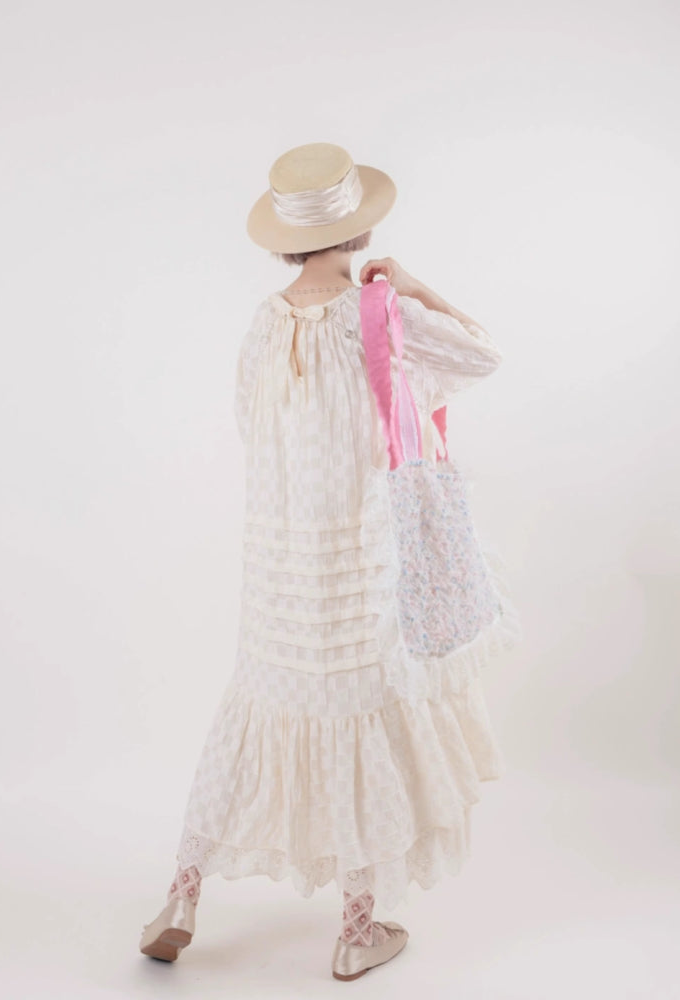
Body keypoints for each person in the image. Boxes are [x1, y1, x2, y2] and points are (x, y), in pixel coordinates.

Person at [138, 142, 521, 981]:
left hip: (278, 565)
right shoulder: (375, 314)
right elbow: (482, 354)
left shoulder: (264, 324)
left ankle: (181, 897)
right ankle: (355, 929)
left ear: (287, 240)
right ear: (362, 227)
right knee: (359, 721)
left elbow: (251, 426)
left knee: (252, 713)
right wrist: (414, 286)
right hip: (358, 566)